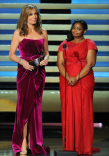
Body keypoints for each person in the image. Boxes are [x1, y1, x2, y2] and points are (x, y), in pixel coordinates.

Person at [9, 4, 50, 155]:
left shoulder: (43, 32)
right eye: (30, 14)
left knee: (35, 108)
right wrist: (22, 62)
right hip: (24, 72)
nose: (34, 17)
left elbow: (47, 53)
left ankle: (35, 143)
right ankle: (23, 142)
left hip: (39, 72)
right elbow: (11, 54)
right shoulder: (18, 33)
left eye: (35, 14)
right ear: (24, 16)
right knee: (24, 108)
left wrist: (45, 59)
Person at [57, 20, 100, 155]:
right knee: (68, 111)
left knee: (84, 111)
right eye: (74, 28)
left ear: (84, 31)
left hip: (84, 80)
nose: (75, 31)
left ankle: (84, 147)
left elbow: (90, 63)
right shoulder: (64, 45)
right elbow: (60, 64)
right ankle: (70, 147)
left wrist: (76, 78)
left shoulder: (89, 43)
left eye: (79, 29)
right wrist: (69, 77)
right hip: (67, 80)